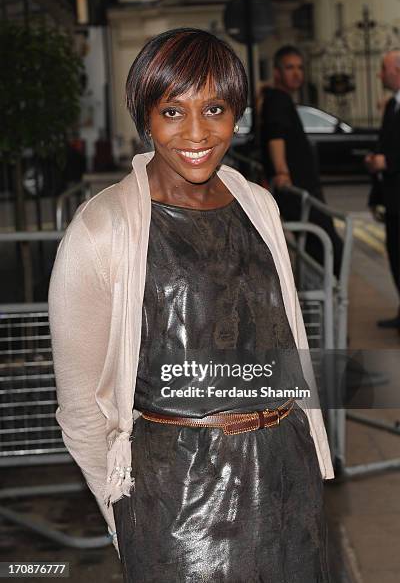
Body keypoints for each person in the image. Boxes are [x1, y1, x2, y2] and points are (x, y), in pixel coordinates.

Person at [48, 29, 334, 583]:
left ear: (238, 114)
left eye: (216, 108)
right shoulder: (102, 228)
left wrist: (310, 452)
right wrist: (122, 515)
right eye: (173, 110)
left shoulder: (258, 205)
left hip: (286, 482)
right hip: (176, 505)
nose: (197, 133)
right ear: (145, 116)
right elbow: (82, 410)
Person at [260, 45, 344, 278]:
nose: (296, 73)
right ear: (277, 73)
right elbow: (276, 136)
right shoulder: (278, 100)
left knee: (318, 248)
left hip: (301, 186)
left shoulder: (279, 100)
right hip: (297, 188)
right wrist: (282, 172)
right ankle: (327, 304)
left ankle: (322, 300)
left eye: (299, 68)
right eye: (289, 68)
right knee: (329, 250)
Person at [365, 49, 400, 329]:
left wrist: (387, 161)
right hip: (392, 198)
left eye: (383, 69)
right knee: (396, 257)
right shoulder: (391, 105)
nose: (379, 74)